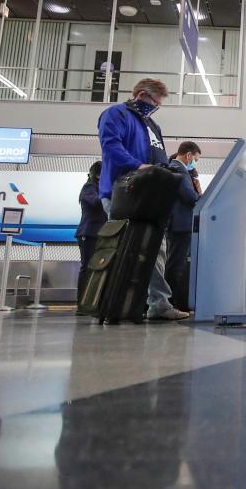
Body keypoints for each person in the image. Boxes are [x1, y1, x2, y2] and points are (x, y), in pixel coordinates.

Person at [96, 77, 189, 321]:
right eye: (153, 101)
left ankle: (159, 303)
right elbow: (111, 147)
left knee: (157, 248)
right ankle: (113, 303)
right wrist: (139, 166)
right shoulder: (115, 115)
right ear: (139, 94)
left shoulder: (151, 124)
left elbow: (157, 157)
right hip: (123, 193)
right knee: (123, 249)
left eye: (159, 104)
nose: (155, 106)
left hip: (150, 195)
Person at [166, 142, 202, 310]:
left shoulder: (175, 168)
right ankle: (172, 302)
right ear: (188, 155)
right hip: (180, 224)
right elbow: (190, 197)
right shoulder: (179, 170)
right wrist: (198, 192)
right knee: (176, 264)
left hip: (179, 224)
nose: (194, 162)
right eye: (195, 158)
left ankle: (172, 301)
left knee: (176, 262)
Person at [75, 160, 107, 302]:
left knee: (97, 269)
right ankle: (82, 302)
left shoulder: (99, 187)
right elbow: (95, 203)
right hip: (88, 233)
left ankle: (93, 301)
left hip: (100, 234)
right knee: (87, 268)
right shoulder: (89, 187)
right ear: (99, 174)